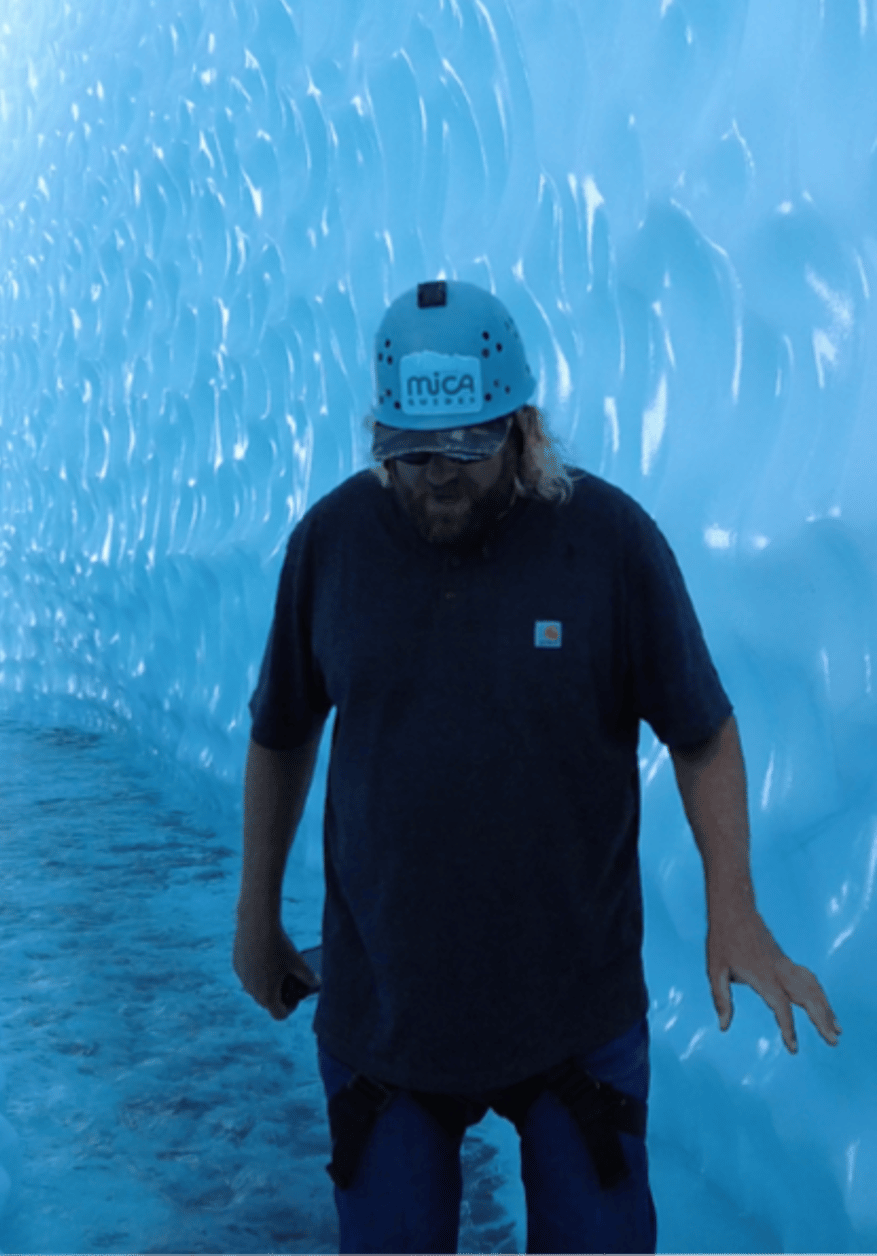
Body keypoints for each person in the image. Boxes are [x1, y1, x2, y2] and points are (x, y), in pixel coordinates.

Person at [232, 279, 842, 1254]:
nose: (436, 475)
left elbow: (702, 729)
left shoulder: (607, 544)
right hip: (387, 1018)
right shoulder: (333, 548)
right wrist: (255, 911)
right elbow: (282, 728)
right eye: (409, 450)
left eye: (466, 448)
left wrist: (734, 902)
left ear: (522, 427)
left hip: (575, 1021)